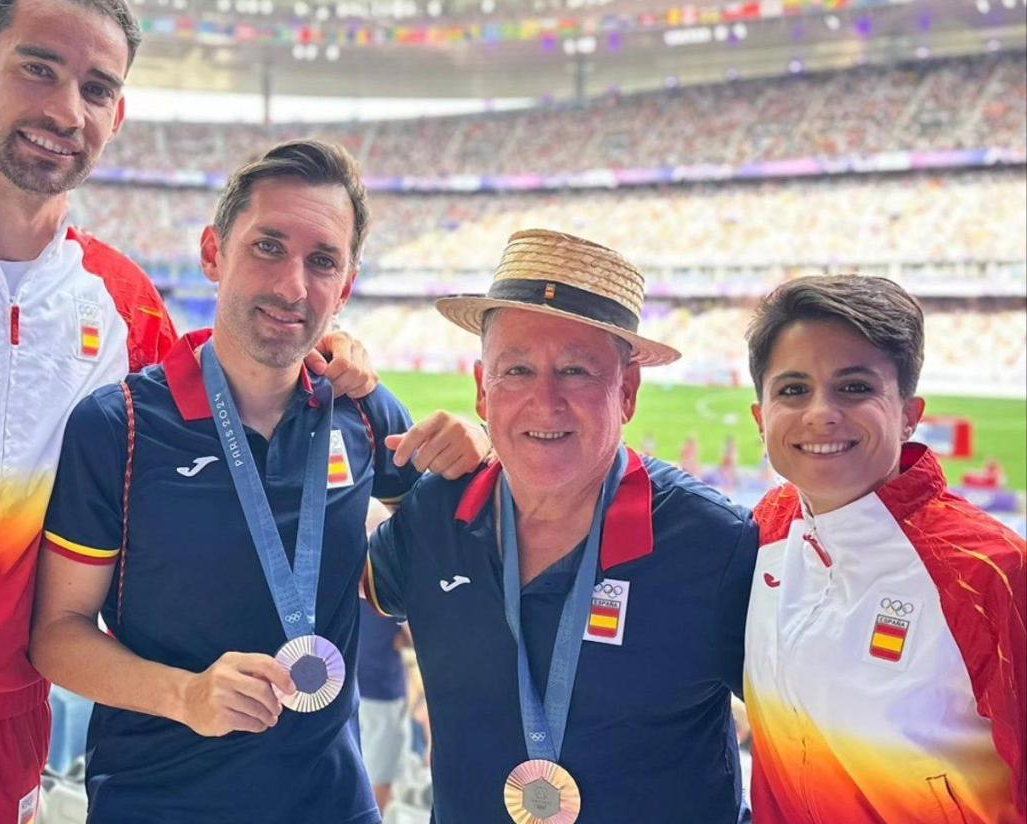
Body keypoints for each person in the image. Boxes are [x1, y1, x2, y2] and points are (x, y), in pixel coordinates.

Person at [0, 0, 370, 823]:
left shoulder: (124, 304)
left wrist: (336, 351)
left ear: (117, 116)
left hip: (4, 729)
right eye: (37, 68)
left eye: (95, 87)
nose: (63, 109)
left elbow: (236, 379)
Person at [29, 140, 489, 823]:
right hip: (159, 802)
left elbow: (448, 527)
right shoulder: (118, 426)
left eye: (322, 261)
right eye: (267, 247)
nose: (292, 286)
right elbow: (56, 635)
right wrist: (186, 695)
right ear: (214, 253)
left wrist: (476, 447)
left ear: (347, 284)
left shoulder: (363, 409)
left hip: (334, 801)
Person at [365, 229, 758, 823]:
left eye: (576, 371)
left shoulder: (714, 543)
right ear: (481, 390)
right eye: (516, 371)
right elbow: (335, 577)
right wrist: (346, 382)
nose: (544, 402)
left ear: (626, 392)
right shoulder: (433, 517)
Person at [742, 275, 1025, 824]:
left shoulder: (991, 572)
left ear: (910, 414)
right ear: (761, 418)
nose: (820, 412)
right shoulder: (762, 531)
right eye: (792, 389)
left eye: (854, 387)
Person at [358, 604, 411, 814]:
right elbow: (423, 636)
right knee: (379, 782)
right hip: (380, 693)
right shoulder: (388, 576)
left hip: (351, 688)